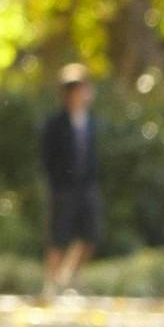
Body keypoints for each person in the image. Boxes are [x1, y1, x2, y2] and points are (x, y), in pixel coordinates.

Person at [38, 65, 104, 297]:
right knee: (59, 235)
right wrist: (56, 185)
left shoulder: (91, 121)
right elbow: (47, 157)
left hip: (87, 186)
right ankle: (52, 281)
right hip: (63, 188)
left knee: (90, 234)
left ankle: (72, 278)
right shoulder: (55, 123)